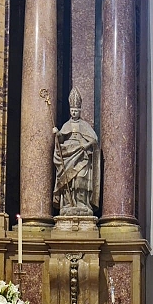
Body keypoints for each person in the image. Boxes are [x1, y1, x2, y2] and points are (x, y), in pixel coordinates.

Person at [53, 87, 100, 216]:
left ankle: (82, 203)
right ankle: (68, 204)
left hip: (82, 155)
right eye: (72, 111)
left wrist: (86, 144)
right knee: (68, 180)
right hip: (68, 154)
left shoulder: (85, 125)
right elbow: (62, 138)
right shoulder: (66, 125)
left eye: (76, 111)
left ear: (80, 111)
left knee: (80, 179)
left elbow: (94, 140)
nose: (74, 113)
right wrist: (57, 134)